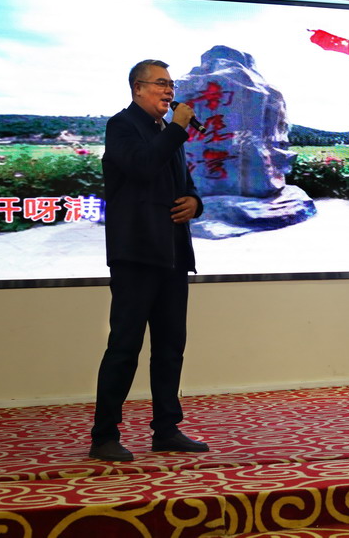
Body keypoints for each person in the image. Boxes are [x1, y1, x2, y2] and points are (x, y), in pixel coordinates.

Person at [89, 59, 208, 462]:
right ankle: (104, 435)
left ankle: (166, 429)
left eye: (171, 84)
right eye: (160, 84)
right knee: (124, 346)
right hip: (136, 254)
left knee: (171, 346)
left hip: (172, 255)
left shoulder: (166, 133)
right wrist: (176, 129)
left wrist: (195, 203)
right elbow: (141, 166)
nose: (169, 91)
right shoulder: (122, 126)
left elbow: (186, 186)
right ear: (137, 88)